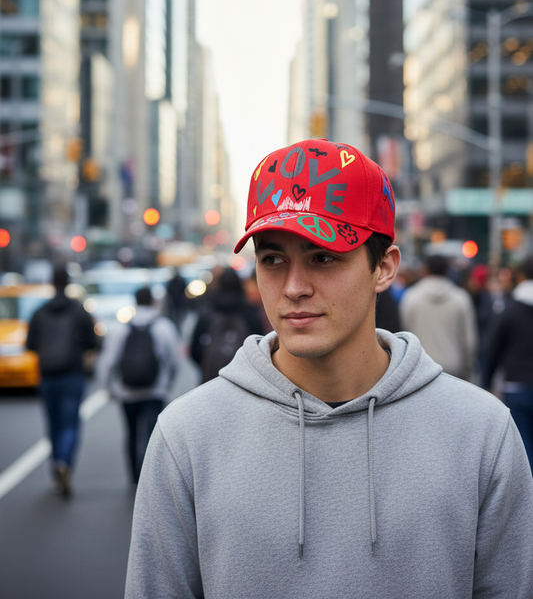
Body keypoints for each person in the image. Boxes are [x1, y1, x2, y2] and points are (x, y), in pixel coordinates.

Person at [125, 139, 533, 598]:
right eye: (273, 259)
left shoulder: (481, 432)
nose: (294, 287)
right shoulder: (186, 436)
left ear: (383, 267)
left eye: (324, 257)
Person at [26, 265, 97, 497]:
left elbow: (30, 344)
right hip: (72, 374)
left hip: (47, 376)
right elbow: (92, 341)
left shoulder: (39, 312)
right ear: (68, 284)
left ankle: (57, 465)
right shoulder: (78, 310)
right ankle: (64, 462)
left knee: (53, 424)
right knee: (70, 424)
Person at [98, 286, 179, 484]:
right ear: (152, 301)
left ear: (135, 302)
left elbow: (109, 361)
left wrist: (107, 388)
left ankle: (134, 478)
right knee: (152, 435)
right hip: (155, 390)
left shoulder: (121, 328)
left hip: (127, 391)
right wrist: (167, 383)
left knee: (132, 433)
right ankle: (150, 478)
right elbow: (174, 360)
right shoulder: (164, 327)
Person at [483, 254, 533, 470]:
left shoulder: (510, 311)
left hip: (516, 385)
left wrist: (486, 382)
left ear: (520, 275)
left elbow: (492, 349)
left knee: (523, 445)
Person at [399, 254, 478, 381]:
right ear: (447, 270)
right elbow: (469, 341)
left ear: (425, 269)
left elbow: (404, 333)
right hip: (454, 369)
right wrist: (468, 369)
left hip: (420, 368)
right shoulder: (461, 298)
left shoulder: (411, 297)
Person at [190, 267, 265, 382]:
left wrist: (205, 363)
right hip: (243, 379)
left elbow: (194, 348)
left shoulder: (208, 311)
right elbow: (261, 347)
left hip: (210, 381)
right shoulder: (249, 312)